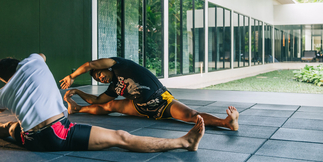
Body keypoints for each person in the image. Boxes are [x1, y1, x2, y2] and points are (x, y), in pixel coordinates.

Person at [0, 53, 205, 152]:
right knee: (122, 138)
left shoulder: (1, 93)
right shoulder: (32, 61)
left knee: (6, 128)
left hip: (32, 140)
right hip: (60, 132)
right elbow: (42, 56)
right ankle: (184, 143)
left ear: (5, 79)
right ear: (19, 62)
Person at [60, 57, 239, 131]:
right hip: (139, 107)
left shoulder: (121, 64)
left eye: (100, 74)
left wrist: (72, 77)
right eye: (98, 80)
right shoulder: (114, 87)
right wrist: (77, 92)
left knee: (190, 115)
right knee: (108, 105)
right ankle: (77, 110)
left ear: (105, 68)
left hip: (161, 102)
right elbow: (98, 100)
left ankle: (226, 122)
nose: (101, 78)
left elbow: (90, 65)